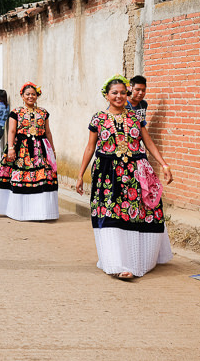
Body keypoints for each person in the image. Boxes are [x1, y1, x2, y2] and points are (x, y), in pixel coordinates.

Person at [77, 75, 173, 279]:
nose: (119, 96)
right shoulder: (98, 118)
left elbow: (148, 143)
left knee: (139, 212)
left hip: (135, 173)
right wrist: (80, 175)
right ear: (106, 95)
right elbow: (90, 147)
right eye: (115, 93)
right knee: (111, 215)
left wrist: (164, 164)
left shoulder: (136, 117)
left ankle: (139, 260)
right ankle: (116, 262)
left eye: (122, 92)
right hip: (107, 174)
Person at [0, 82, 59, 221]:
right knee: (20, 176)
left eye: (33, 94)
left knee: (43, 176)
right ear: (22, 96)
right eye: (28, 94)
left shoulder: (43, 113)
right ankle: (19, 211)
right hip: (21, 148)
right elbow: (12, 131)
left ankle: (41, 212)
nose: (31, 97)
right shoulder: (16, 112)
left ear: (37, 96)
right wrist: (10, 148)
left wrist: (52, 149)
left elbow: (48, 132)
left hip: (40, 149)